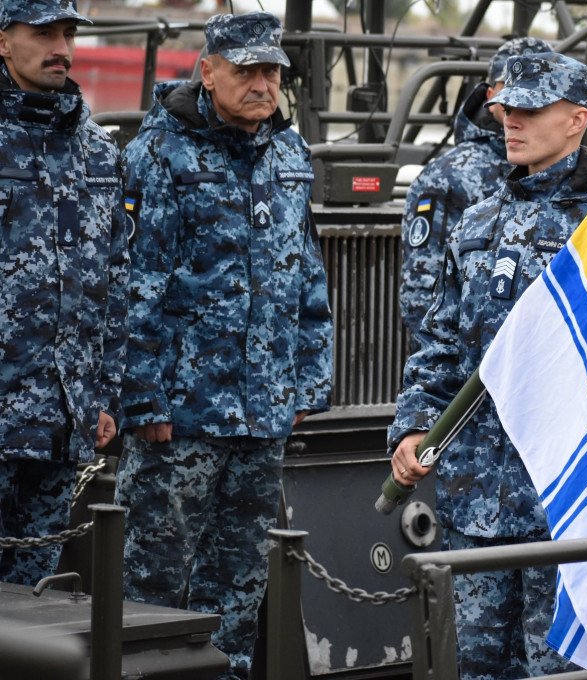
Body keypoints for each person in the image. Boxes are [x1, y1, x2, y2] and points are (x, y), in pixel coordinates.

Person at [388, 52, 587, 679]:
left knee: (557, 670)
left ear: (577, 120)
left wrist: (573, 352)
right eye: (506, 109)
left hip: (564, 502)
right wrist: (413, 426)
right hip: (475, 500)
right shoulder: (476, 223)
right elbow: (441, 340)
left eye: (530, 109)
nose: (511, 120)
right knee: (469, 666)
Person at [114, 12, 334, 680]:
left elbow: (307, 278)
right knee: (152, 588)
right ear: (207, 72)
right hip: (179, 419)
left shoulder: (290, 155)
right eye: (246, 71)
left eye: (272, 72)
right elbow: (135, 286)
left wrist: (307, 386)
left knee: (239, 586)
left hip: (262, 413)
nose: (263, 85)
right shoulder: (156, 156)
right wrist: (142, 397)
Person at [0, 0, 128, 585]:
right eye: (43, 32)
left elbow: (116, 279)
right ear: (4, 41)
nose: (62, 46)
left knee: (35, 610)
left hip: (60, 422)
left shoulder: (98, 152)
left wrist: (104, 391)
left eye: (69, 32)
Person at [400, 36, 551, 344]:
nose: (522, 98)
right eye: (510, 85)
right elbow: (422, 290)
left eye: (537, 89)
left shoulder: (571, 175)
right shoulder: (448, 176)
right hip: (471, 369)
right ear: (491, 94)